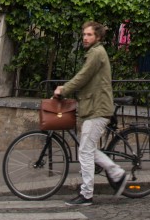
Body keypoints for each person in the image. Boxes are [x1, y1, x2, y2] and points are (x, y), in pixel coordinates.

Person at [53, 21, 127, 206]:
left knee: (85, 151)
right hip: (94, 107)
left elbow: (83, 76)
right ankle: (117, 173)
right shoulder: (95, 52)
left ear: (98, 37)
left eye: (89, 35)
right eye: (84, 34)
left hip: (97, 108)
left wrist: (64, 89)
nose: (85, 38)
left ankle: (86, 194)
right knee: (88, 149)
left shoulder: (96, 53)